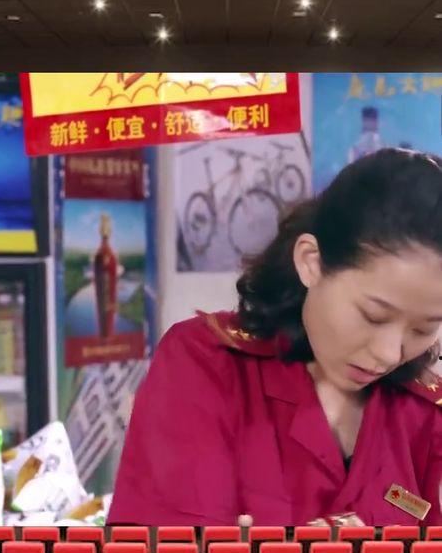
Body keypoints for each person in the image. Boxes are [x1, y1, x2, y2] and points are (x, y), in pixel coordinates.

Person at [108, 148, 442, 526]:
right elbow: (164, 552)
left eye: (423, 329)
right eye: (373, 316)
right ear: (311, 262)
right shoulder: (207, 367)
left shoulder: (425, 414)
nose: (388, 354)